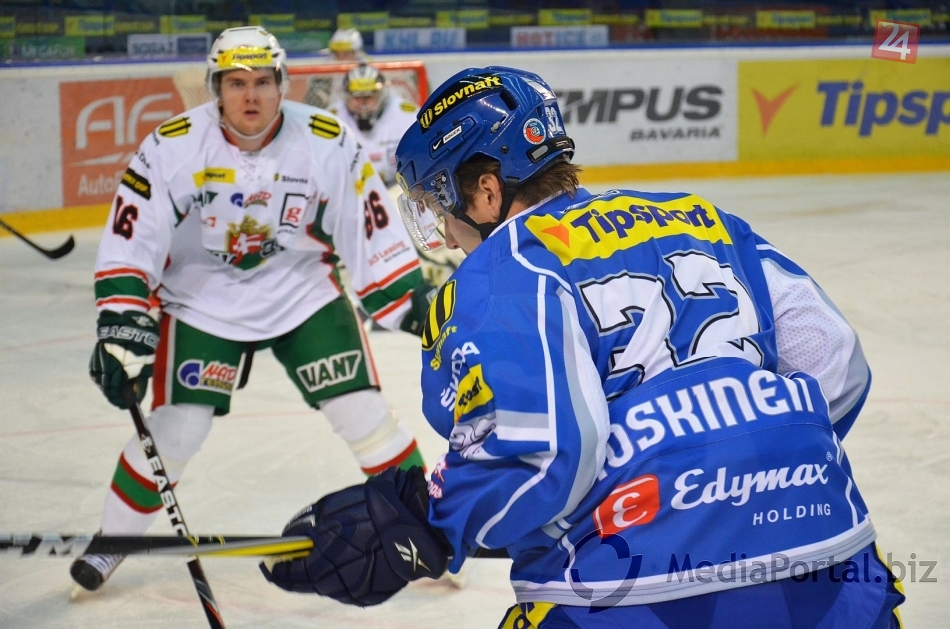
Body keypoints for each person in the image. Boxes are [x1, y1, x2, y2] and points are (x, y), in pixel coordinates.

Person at [259, 66, 905, 628]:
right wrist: (752, 463)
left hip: (638, 590)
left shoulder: (502, 269)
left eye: (440, 207)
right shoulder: (707, 218)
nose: (449, 238)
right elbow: (834, 359)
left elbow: (539, 455)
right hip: (836, 566)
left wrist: (426, 523)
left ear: (486, 192)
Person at [72, 26, 436, 593]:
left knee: (363, 414)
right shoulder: (171, 146)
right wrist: (122, 324)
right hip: (202, 299)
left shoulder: (325, 140)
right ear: (215, 88)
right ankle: (113, 540)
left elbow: (366, 224)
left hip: (301, 292)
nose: (250, 95)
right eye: (236, 83)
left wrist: (405, 298)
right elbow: (131, 235)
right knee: (177, 429)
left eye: (263, 82)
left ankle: (428, 530)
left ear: (282, 85)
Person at [330, 63, 465, 295]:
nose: (363, 104)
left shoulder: (406, 115)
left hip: (402, 194)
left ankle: (437, 265)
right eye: (357, 97)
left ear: (382, 94)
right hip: (354, 198)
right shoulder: (332, 120)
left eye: (369, 96)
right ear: (346, 96)